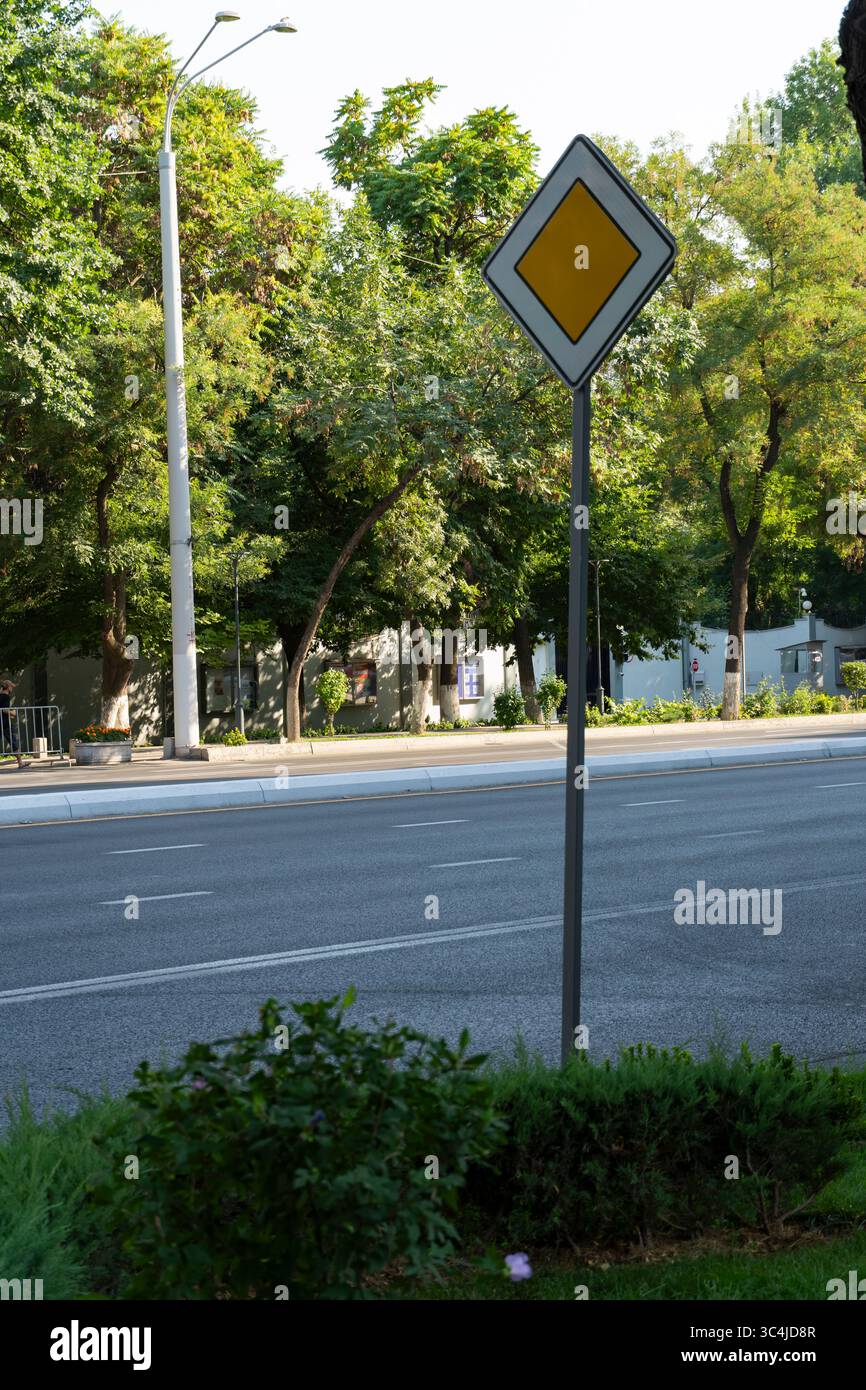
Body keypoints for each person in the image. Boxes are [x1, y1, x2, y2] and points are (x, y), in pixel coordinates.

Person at [0, 679, 27, 769]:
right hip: (4, 724)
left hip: (2, 722)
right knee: (13, 742)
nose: (12, 688)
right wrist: (13, 713)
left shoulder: (1, 696)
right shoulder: (5, 697)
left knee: (13, 741)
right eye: (11, 686)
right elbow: (4, 710)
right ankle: (20, 763)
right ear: (8, 687)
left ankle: (20, 762)